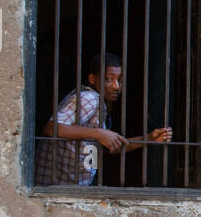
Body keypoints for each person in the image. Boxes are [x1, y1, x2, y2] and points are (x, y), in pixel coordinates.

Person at [34, 52, 173, 186]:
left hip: (71, 187)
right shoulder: (90, 98)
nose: (116, 86)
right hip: (56, 187)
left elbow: (111, 146)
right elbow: (51, 128)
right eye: (108, 79)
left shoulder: (100, 105)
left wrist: (149, 138)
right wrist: (99, 134)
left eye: (119, 80)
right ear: (92, 79)